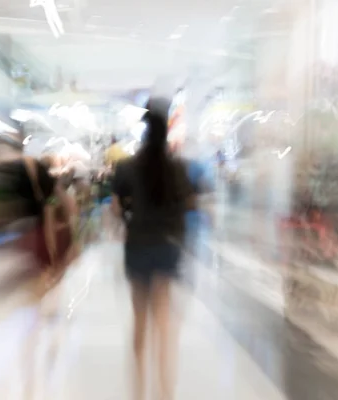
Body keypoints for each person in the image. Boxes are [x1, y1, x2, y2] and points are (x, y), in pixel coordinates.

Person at [111, 99, 195, 400]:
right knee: (163, 321)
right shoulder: (177, 168)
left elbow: (116, 206)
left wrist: (126, 221)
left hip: (138, 245)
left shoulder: (127, 167)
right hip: (168, 246)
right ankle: (165, 393)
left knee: (140, 322)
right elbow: (188, 205)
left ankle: (139, 393)